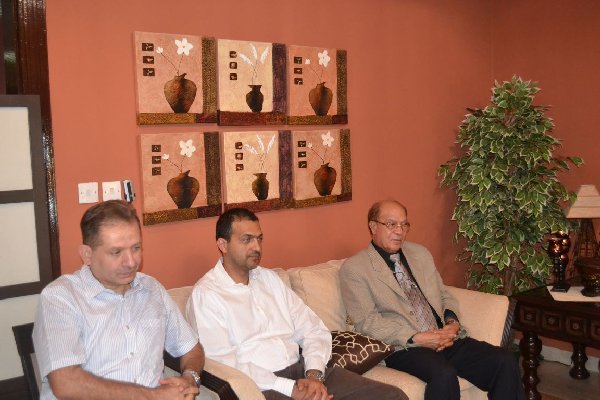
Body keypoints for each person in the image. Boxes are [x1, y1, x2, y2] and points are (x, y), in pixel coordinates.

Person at [186, 208, 407, 400]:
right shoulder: (207, 295)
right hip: (260, 385)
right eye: (247, 239)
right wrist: (289, 388)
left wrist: (314, 375)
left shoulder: (269, 279)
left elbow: (313, 329)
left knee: (393, 396)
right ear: (223, 244)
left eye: (259, 239)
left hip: (302, 371)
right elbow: (223, 363)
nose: (256, 247)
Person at [340, 199, 525, 400]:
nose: (399, 231)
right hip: (404, 346)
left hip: (442, 336)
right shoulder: (356, 269)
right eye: (391, 224)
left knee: (503, 361)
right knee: (443, 374)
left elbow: (444, 294)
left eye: (404, 224)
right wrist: (417, 337)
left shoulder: (419, 254)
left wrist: (452, 324)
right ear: (373, 226)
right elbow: (367, 322)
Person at [33, 200, 205, 400]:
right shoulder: (60, 298)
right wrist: (153, 396)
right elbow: (66, 384)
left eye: (136, 248)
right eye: (116, 252)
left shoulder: (152, 290)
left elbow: (191, 349)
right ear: (87, 255)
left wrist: (190, 378)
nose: (131, 262)